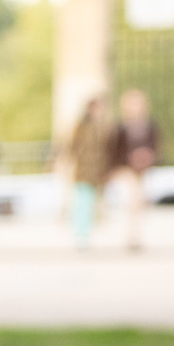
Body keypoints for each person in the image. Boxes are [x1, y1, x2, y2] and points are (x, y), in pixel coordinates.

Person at [108, 88, 161, 252]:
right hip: (126, 169)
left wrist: (147, 157)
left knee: (138, 203)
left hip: (142, 170)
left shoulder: (149, 125)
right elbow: (114, 151)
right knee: (132, 200)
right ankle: (131, 236)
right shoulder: (121, 127)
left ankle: (135, 235)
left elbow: (156, 146)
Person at [60, 96, 112, 248]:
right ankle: (80, 233)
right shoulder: (82, 126)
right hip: (83, 169)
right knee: (83, 201)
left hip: (98, 170)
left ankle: (85, 232)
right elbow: (72, 146)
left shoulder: (104, 127)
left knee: (91, 202)